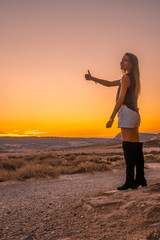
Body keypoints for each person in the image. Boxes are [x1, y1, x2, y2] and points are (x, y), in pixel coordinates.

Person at [84, 52, 147, 190]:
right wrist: (92, 78)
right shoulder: (133, 78)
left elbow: (120, 99)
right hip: (135, 114)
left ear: (131, 64)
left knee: (128, 148)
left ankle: (130, 181)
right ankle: (140, 179)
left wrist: (111, 118)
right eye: (122, 60)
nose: (121, 62)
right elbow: (108, 83)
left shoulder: (126, 78)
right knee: (136, 148)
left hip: (127, 113)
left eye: (125, 60)